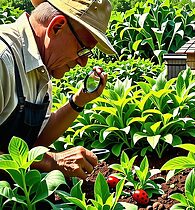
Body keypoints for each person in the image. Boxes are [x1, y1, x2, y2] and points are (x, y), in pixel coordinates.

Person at [0, 0, 116, 180]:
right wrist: (51, 161)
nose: (83, 62)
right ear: (56, 27)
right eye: (82, 49)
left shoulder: (41, 68)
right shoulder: (3, 59)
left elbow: (36, 142)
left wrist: (79, 101)